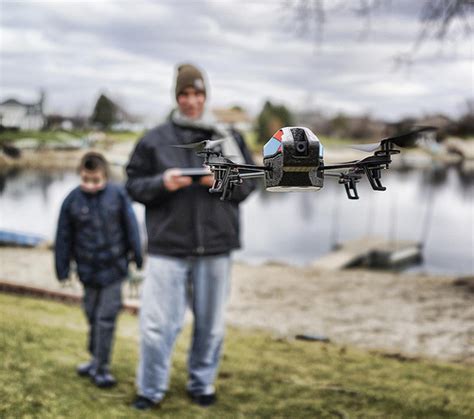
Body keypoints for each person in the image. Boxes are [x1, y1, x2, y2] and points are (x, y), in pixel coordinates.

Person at [126, 63, 256, 410]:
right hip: (168, 248)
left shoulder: (229, 137)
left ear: (205, 96)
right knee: (156, 327)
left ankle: (202, 384)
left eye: (197, 93)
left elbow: (249, 185)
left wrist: (223, 181)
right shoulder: (153, 140)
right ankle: (150, 389)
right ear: (176, 97)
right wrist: (161, 184)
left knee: (210, 327)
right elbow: (133, 185)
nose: (191, 101)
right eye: (184, 94)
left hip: (216, 246)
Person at [55, 151, 142, 388]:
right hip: (87, 271)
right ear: (80, 175)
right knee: (92, 314)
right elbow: (63, 237)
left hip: (114, 269)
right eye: (85, 180)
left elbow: (131, 226)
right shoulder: (72, 200)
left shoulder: (118, 195)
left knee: (106, 318)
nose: (90, 185)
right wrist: (62, 270)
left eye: (96, 180)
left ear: (105, 176)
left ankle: (102, 368)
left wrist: (138, 257)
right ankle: (94, 359)